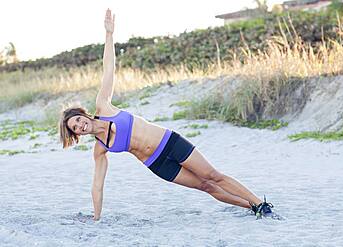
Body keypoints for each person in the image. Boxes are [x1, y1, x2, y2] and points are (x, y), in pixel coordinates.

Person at [59, 9, 274, 221]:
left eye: (78, 120)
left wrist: (109, 35)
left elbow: (109, 70)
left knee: (212, 176)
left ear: (83, 115)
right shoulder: (100, 148)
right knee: (206, 186)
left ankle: (260, 203)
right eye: (75, 129)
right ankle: (251, 207)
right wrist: (96, 217)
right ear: (77, 135)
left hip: (170, 142)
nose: (79, 126)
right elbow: (97, 185)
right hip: (157, 164)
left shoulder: (104, 107)